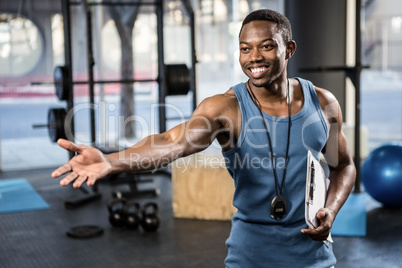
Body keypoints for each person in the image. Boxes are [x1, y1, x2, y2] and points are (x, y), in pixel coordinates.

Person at [52, 9, 356, 267]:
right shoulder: (225, 108)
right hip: (251, 256)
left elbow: (343, 166)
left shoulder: (323, 102)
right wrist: (110, 161)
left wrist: (331, 209)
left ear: (288, 49)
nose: (254, 58)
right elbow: (173, 142)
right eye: (245, 48)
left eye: (266, 46)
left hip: (315, 257)